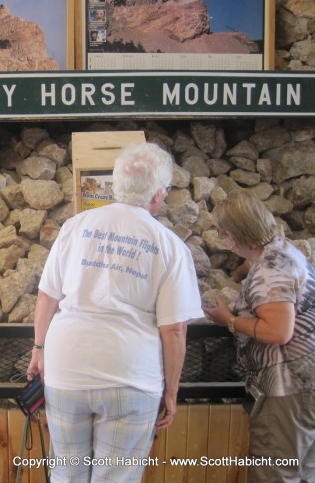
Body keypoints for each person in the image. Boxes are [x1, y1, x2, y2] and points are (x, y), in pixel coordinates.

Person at [27, 142, 202, 482]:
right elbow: (174, 330)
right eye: (165, 191)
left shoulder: (76, 227)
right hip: (131, 374)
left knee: (66, 470)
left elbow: (47, 295)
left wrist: (38, 349)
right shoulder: (170, 246)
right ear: (156, 194)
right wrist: (171, 391)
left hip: (67, 369)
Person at [202, 189, 315, 482]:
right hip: (306, 384)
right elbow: (261, 267)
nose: (223, 240)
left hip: (288, 387)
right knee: (304, 469)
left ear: (235, 235)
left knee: (275, 471)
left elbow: (278, 331)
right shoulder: (281, 250)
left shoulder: (269, 271)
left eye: (224, 234)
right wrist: (243, 270)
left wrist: (230, 320)